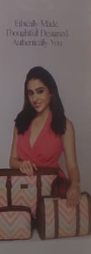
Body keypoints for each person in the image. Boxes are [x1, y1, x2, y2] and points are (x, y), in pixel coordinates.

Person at [9, 66, 80, 207]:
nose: (35, 99)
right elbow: (12, 161)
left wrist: (75, 185)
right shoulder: (21, 122)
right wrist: (22, 164)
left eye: (40, 91)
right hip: (23, 191)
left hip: (52, 191)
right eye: (30, 93)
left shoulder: (64, 125)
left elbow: (72, 166)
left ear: (51, 92)